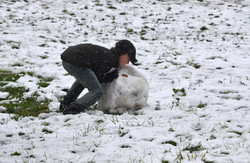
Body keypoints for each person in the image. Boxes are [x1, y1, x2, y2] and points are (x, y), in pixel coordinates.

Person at [60, 40, 139, 115]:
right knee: (97, 91)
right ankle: (74, 108)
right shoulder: (110, 60)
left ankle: (66, 102)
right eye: (129, 59)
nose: (127, 63)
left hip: (69, 58)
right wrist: (112, 76)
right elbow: (99, 78)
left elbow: (94, 76)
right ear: (123, 54)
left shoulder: (108, 55)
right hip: (75, 61)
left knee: (86, 79)